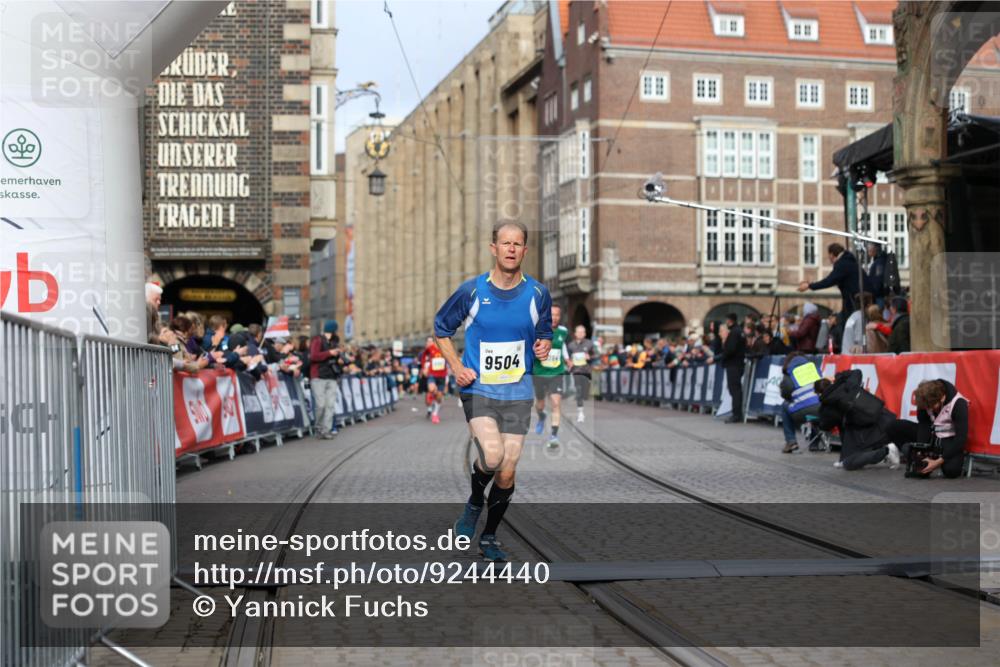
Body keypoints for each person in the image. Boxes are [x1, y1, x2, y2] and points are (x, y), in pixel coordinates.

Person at [435, 221, 552, 562]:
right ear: (494, 248)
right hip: (480, 388)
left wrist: (543, 347)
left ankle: (489, 536)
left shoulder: (538, 293)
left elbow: (543, 334)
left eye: (518, 244)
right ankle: (474, 504)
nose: (511, 249)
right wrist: (456, 366)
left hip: (518, 389)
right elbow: (441, 329)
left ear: (524, 251)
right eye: (505, 243)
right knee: (492, 455)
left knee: (508, 468)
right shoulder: (471, 291)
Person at [815, 371, 900, 470]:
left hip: (866, 429)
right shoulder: (846, 384)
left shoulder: (829, 405)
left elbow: (825, 425)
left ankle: (886, 451)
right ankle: (886, 450)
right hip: (883, 417)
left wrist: (819, 419)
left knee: (850, 463)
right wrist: (837, 376)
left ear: (819, 393)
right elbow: (857, 372)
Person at [889, 379, 969, 478]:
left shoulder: (958, 404)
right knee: (893, 425)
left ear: (942, 398)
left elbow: (961, 439)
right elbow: (924, 425)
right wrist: (921, 452)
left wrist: (937, 462)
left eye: (931, 406)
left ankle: (936, 460)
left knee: (952, 471)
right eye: (926, 407)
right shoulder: (925, 400)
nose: (929, 409)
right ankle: (910, 454)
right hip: (932, 434)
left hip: (948, 438)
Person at [798, 243, 869, 323]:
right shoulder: (848, 261)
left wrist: (809, 286)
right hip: (858, 298)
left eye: (829, 255)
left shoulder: (842, 264)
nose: (829, 258)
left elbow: (829, 281)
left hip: (855, 301)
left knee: (849, 324)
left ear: (832, 254)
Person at [532, 304, 569, 448]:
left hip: (556, 373)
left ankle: (554, 436)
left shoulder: (563, 331)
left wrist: (567, 359)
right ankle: (541, 416)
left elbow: (563, 346)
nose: (554, 318)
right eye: (551, 314)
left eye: (557, 315)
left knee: (555, 403)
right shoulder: (537, 331)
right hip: (539, 373)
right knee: (540, 404)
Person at [779, 353, 822, 453]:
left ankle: (791, 442)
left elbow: (785, 394)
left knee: (785, 406)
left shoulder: (789, 373)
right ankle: (814, 443)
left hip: (802, 414)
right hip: (820, 412)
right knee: (815, 407)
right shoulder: (814, 368)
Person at [309, 320, 343, 439]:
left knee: (330, 405)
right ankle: (318, 427)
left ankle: (326, 430)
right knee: (321, 405)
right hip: (318, 376)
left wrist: (339, 359)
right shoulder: (317, 340)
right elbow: (313, 356)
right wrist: (329, 353)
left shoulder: (335, 341)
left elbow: (334, 356)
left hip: (331, 376)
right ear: (333, 330)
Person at [565, 324, 596, 423]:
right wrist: (569, 362)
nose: (580, 334)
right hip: (576, 371)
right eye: (578, 332)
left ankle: (582, 403)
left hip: (586, 371)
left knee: (584, 393)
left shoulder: (590, 344)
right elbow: (567, 358)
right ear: (575, 333)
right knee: (578, 390)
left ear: (585, 333)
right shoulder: (570, 345)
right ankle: (580, 413)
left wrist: (590, 357)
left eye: (582, 332)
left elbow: (596, 355)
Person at [719, 313, 746, 423]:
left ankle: (736, 414)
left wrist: (723, 355)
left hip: (734, 364)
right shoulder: (739, 331)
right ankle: (736, 413)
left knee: (734, 389)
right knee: (735, 389)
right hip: (737, 363)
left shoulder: (734, 332)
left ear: (729, 320)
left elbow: (730, 349)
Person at [419, 336, 449, 424]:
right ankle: (432, 396)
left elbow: (451, 358)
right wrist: (424, 367)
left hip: (442, 375)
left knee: (439, 397)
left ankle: (435, 414)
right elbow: (424, 356)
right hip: (432, 374)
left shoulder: (446, 347)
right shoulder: (430, 348)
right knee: (432, 389)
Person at [866, 243, 889, 307]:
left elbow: (879, 278)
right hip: (878, 294)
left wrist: (874, 292)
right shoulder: (879, 260)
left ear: (874, 250)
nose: (868, 252)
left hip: (878, 295)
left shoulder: (880, 262)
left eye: (869, 250)